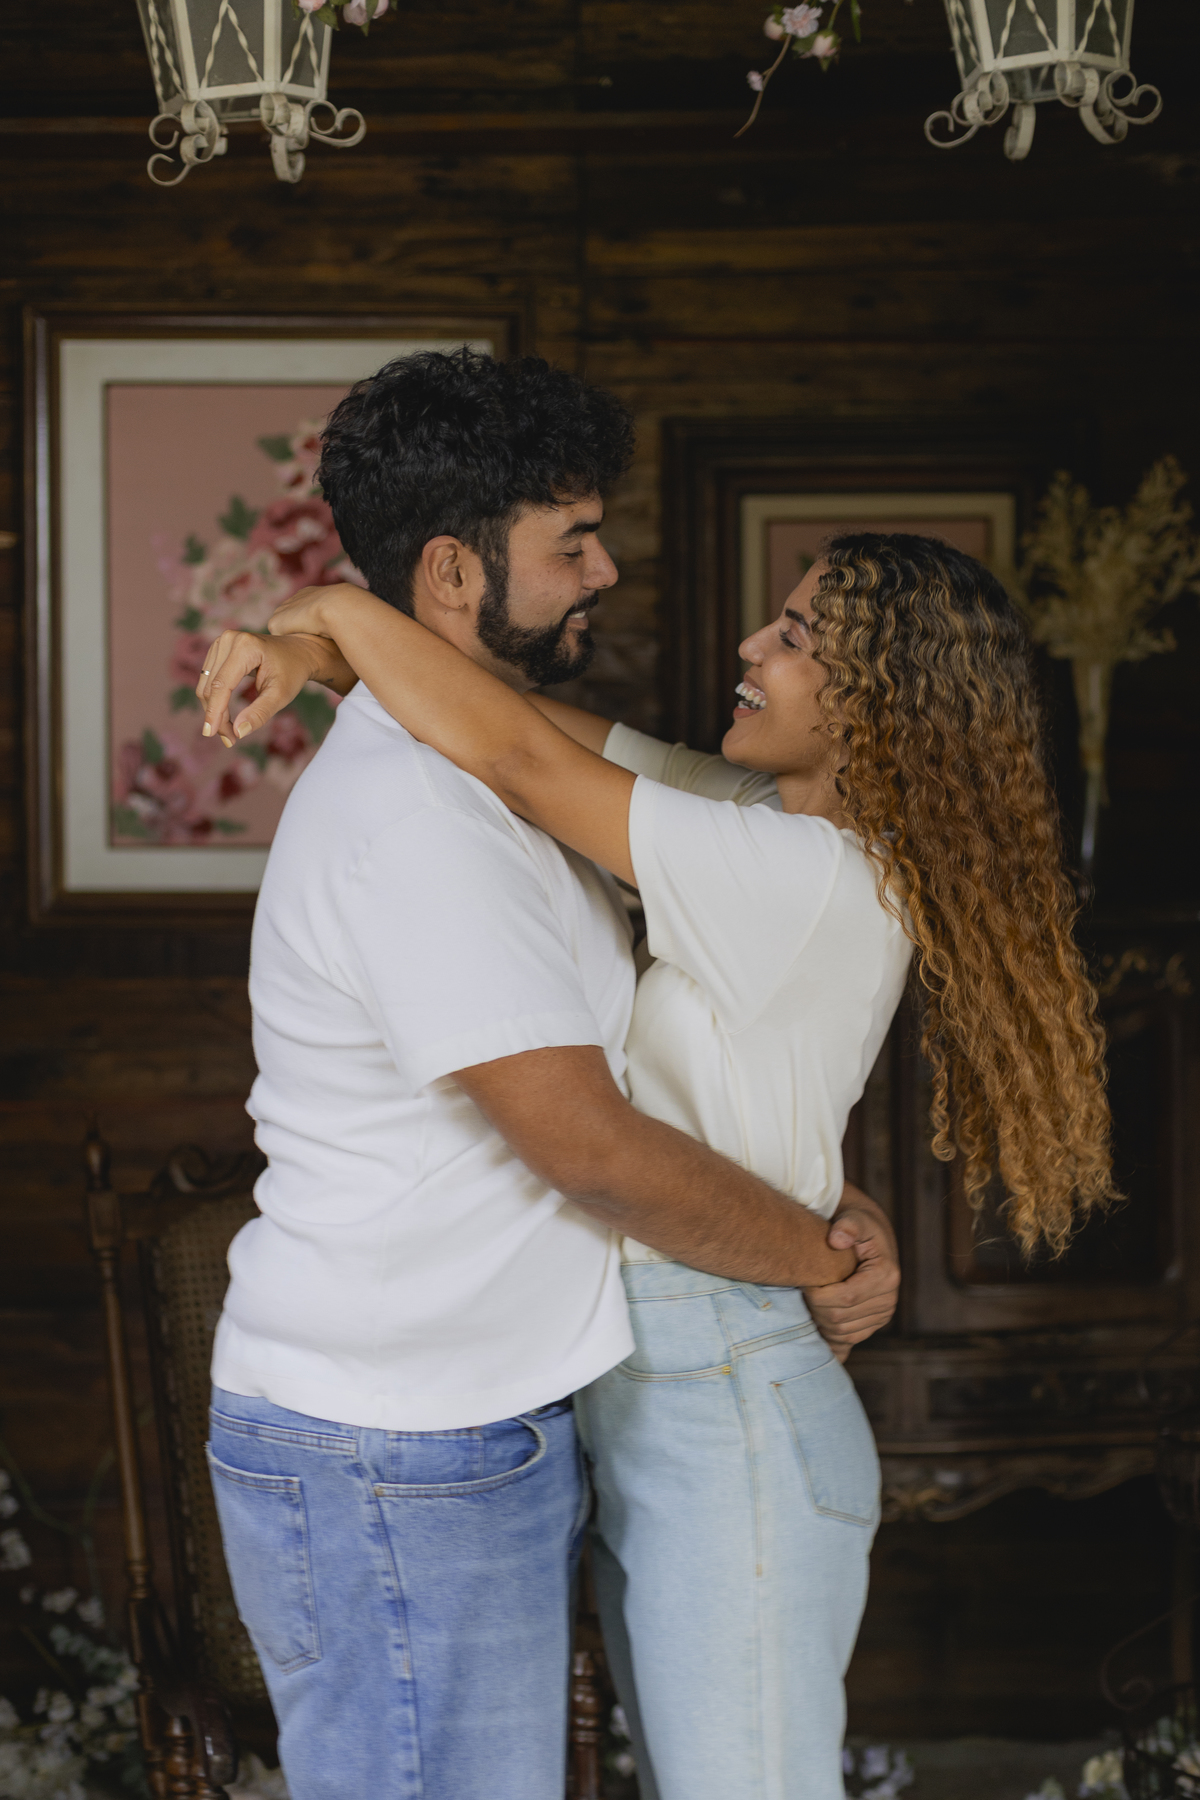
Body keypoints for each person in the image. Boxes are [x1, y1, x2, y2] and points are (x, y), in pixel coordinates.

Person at [200, 523, 1115, 1798]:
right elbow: (494, 719)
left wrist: (337, 611)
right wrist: (317, 646)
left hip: (726, 1385)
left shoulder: (808, 873)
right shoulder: (746, 814)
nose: (751, 646)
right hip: (663, 1376)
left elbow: (518, 761)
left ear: (877, 701)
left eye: (796, 637)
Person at [196, 348, 897, 1800]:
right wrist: (816, 1253)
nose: (607, 570)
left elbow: (663, 1037)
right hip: (397, 1440)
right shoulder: (424, 815)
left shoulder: (494, 771)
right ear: (455, 571)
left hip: (473, 1418)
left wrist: (332, 624)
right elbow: (592, 1147)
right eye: (571, 542)